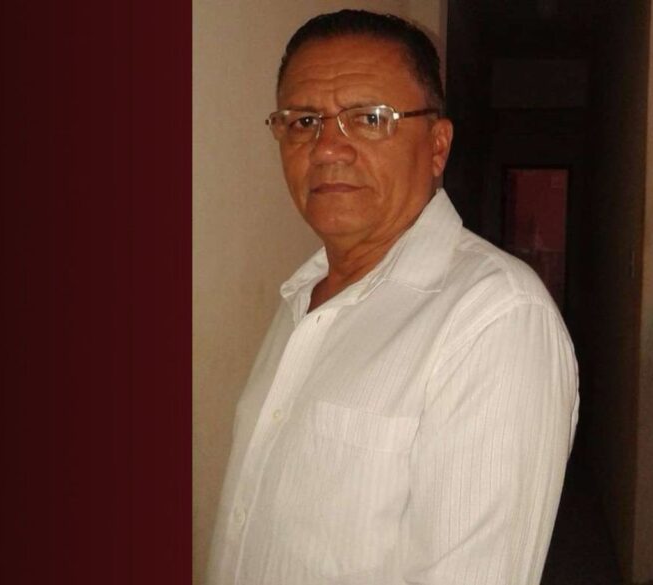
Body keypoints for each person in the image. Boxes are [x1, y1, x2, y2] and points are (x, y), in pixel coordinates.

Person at [206, 10, 579, 585]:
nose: (328, 148)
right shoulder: (303, 296)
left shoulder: (495, 317)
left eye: (369, 118)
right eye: (304, 121)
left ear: (437, 146)